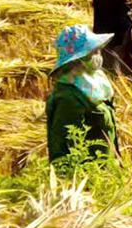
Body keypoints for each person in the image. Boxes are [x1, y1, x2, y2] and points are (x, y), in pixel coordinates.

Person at [46, 25, 118, 167]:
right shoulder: (68, 97)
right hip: (88, 177)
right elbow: (64, 149)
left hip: (105, 172)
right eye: (94, 51)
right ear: (79, 58)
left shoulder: (94, 83)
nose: (99, 54)